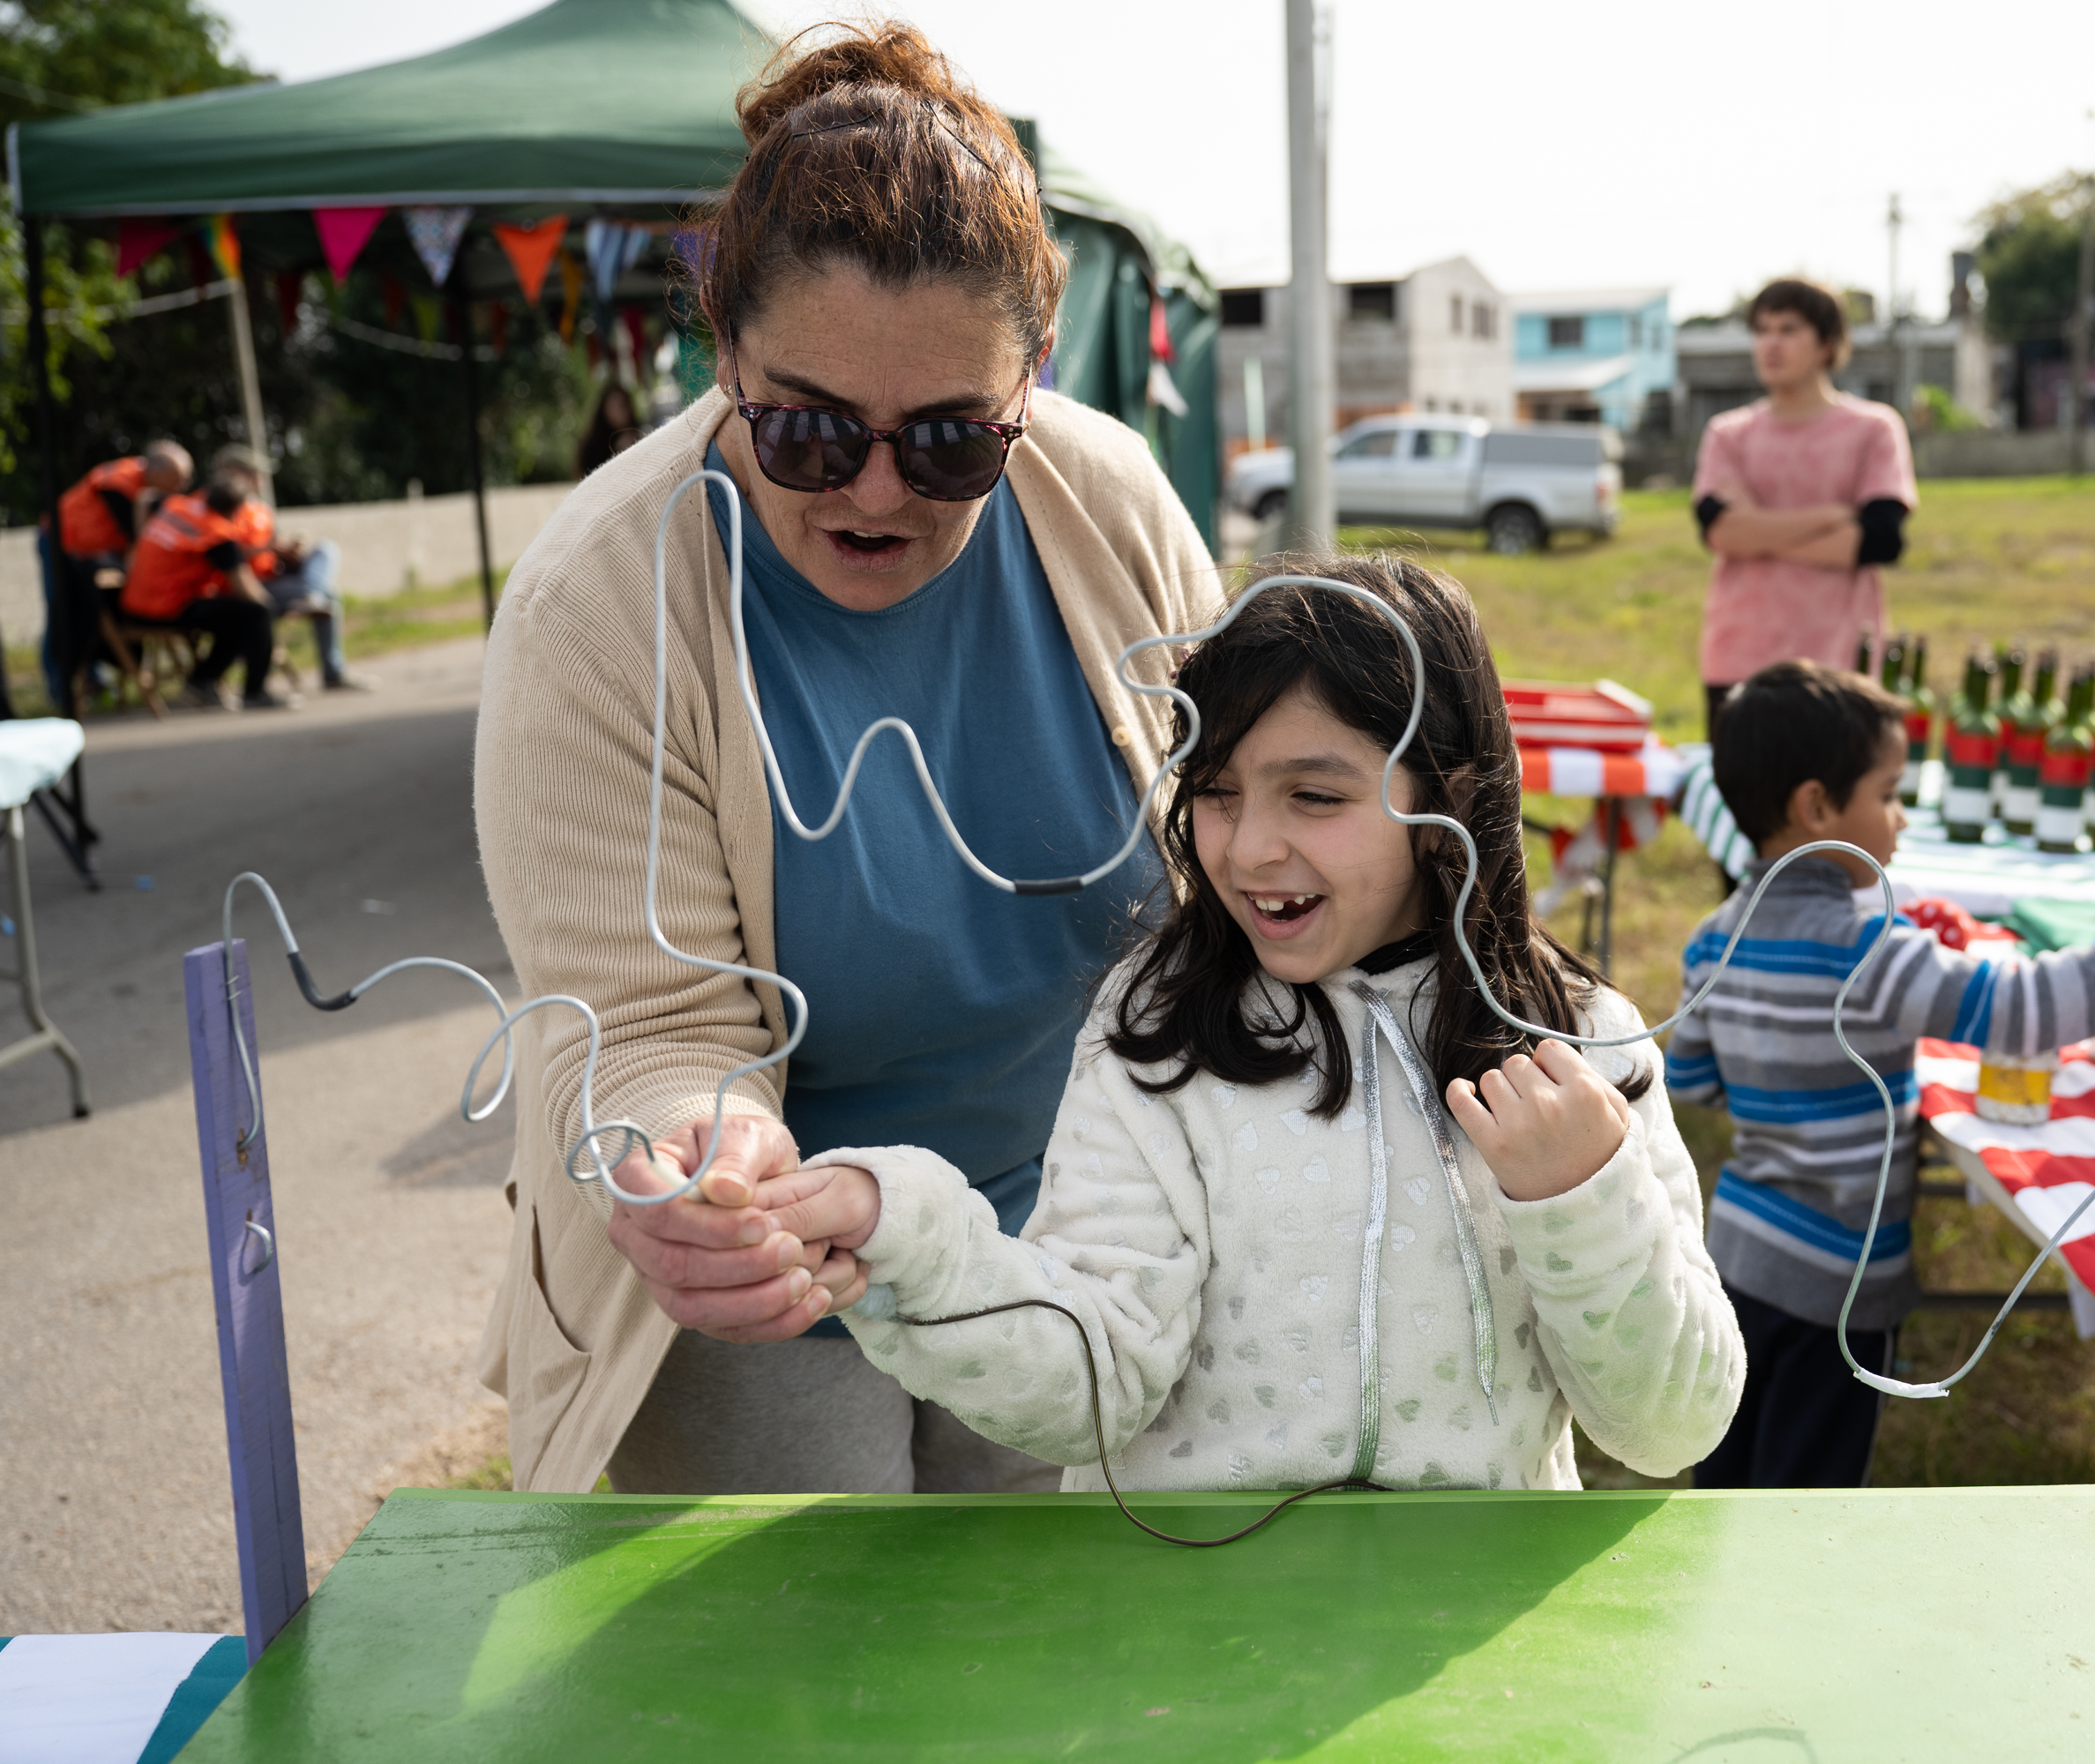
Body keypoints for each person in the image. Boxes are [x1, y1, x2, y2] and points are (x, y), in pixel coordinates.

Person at [471, 20, 1225, 1498]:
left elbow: (1244, 848)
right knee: (809, 1707)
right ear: (723, 357)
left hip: (1072, 1242)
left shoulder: (1114, 504)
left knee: (1034, 1686)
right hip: (766, 1292)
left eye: (952, 440)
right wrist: (700, 1155)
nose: (878, 491)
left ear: (1033, 388)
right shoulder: (596, 605)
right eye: (808, 431)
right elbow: (650, 1021)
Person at [793, 557, 1742, 1491]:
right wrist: (910, 1241)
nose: (1250, 847)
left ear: (1449, 801)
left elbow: (1671, 1429)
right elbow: (1090, 1385)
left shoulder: (1576, 1041)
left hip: (1470, 1627)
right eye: (1215, 791)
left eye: (1315, 796)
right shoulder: (1155, 1030)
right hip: (1185, 1623)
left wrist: (1580, 1197)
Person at [1665, 661, 2095, 1489]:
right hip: (1840, 1287)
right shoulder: (1867, 949)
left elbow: (1691, 1081)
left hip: (1739, 1256)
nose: (1899, 820)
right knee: (1804, 1502)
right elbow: (2023, 1010)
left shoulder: (1714, 935)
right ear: (1817, 807)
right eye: (1890, 794)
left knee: (1726, 1477)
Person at [1691, 279, 1917, 736]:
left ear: (1827, 344)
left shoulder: (1873, 428)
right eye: (1762, 330)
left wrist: (1757, 527)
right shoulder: (1727, 433)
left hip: (1839, 662)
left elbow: (1879, 540)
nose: (1771, 344)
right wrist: (1832, 516)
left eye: (1789, 329)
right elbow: (1720, 534)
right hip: (1739, 657)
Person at [118, 466, 288, 711]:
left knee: (233, 618)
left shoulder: (176, 507)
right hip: (167, 609)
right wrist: (271, 609)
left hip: (132, 603)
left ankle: (202, 682)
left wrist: (138, 539)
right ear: (237, 509)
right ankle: (254, 691)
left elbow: (145, 497)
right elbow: (245, 589)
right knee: (256, 613)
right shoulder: (217, 533)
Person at [202, 446, 364, 697]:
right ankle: (330, 664)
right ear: (235, 473)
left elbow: (275, 550)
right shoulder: (221, 504)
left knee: (325, 551)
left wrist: (288, 552)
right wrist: (263, 548)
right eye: (256, 473)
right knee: (330, 596)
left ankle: (312, 594)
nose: (262, 479)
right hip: (246, 585)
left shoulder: (261, 509)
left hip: (276, 577)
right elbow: (221, 554)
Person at [40, 439, 191, 705]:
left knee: (95, 606)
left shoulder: (149, 492)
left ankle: (94, 676)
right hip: (60, 541)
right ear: (156, 472)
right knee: (62, 608)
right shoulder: (120, 481)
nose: (180, 488)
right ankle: (59, 684)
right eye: (176, 480)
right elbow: (138, 539)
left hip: (93, 551)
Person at [575, 379, 643, 478]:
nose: (618, 412)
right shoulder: (594, 445)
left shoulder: (640, 434)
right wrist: (619, 452)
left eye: (622, 406)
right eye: (613, 407)